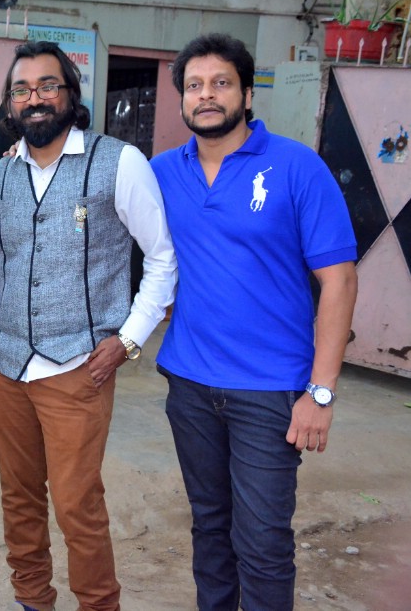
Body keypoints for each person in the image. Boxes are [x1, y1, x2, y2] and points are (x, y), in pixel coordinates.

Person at [0, 40, 177, 611]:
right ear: (10, 104)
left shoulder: (118, 162)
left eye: (47, 86)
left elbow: (161, 260)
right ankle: (33, 599)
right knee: (18, 498)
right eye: (22, 89)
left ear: (70, 94)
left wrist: (128, 341)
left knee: (78, 503)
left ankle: (97, 605)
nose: (35, 99)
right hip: (6, 366)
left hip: (79, 366)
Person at [150, 33, 358, 611]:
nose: (207, 95)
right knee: (210, 528)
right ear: (182, 100)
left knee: (263, 539)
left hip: (271, 390)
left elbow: (339, 280)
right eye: (194, 86)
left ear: (246, 92)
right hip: (189, 384)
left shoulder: (296, 167)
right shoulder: (161, 172)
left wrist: (320, 390)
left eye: (221, 83)